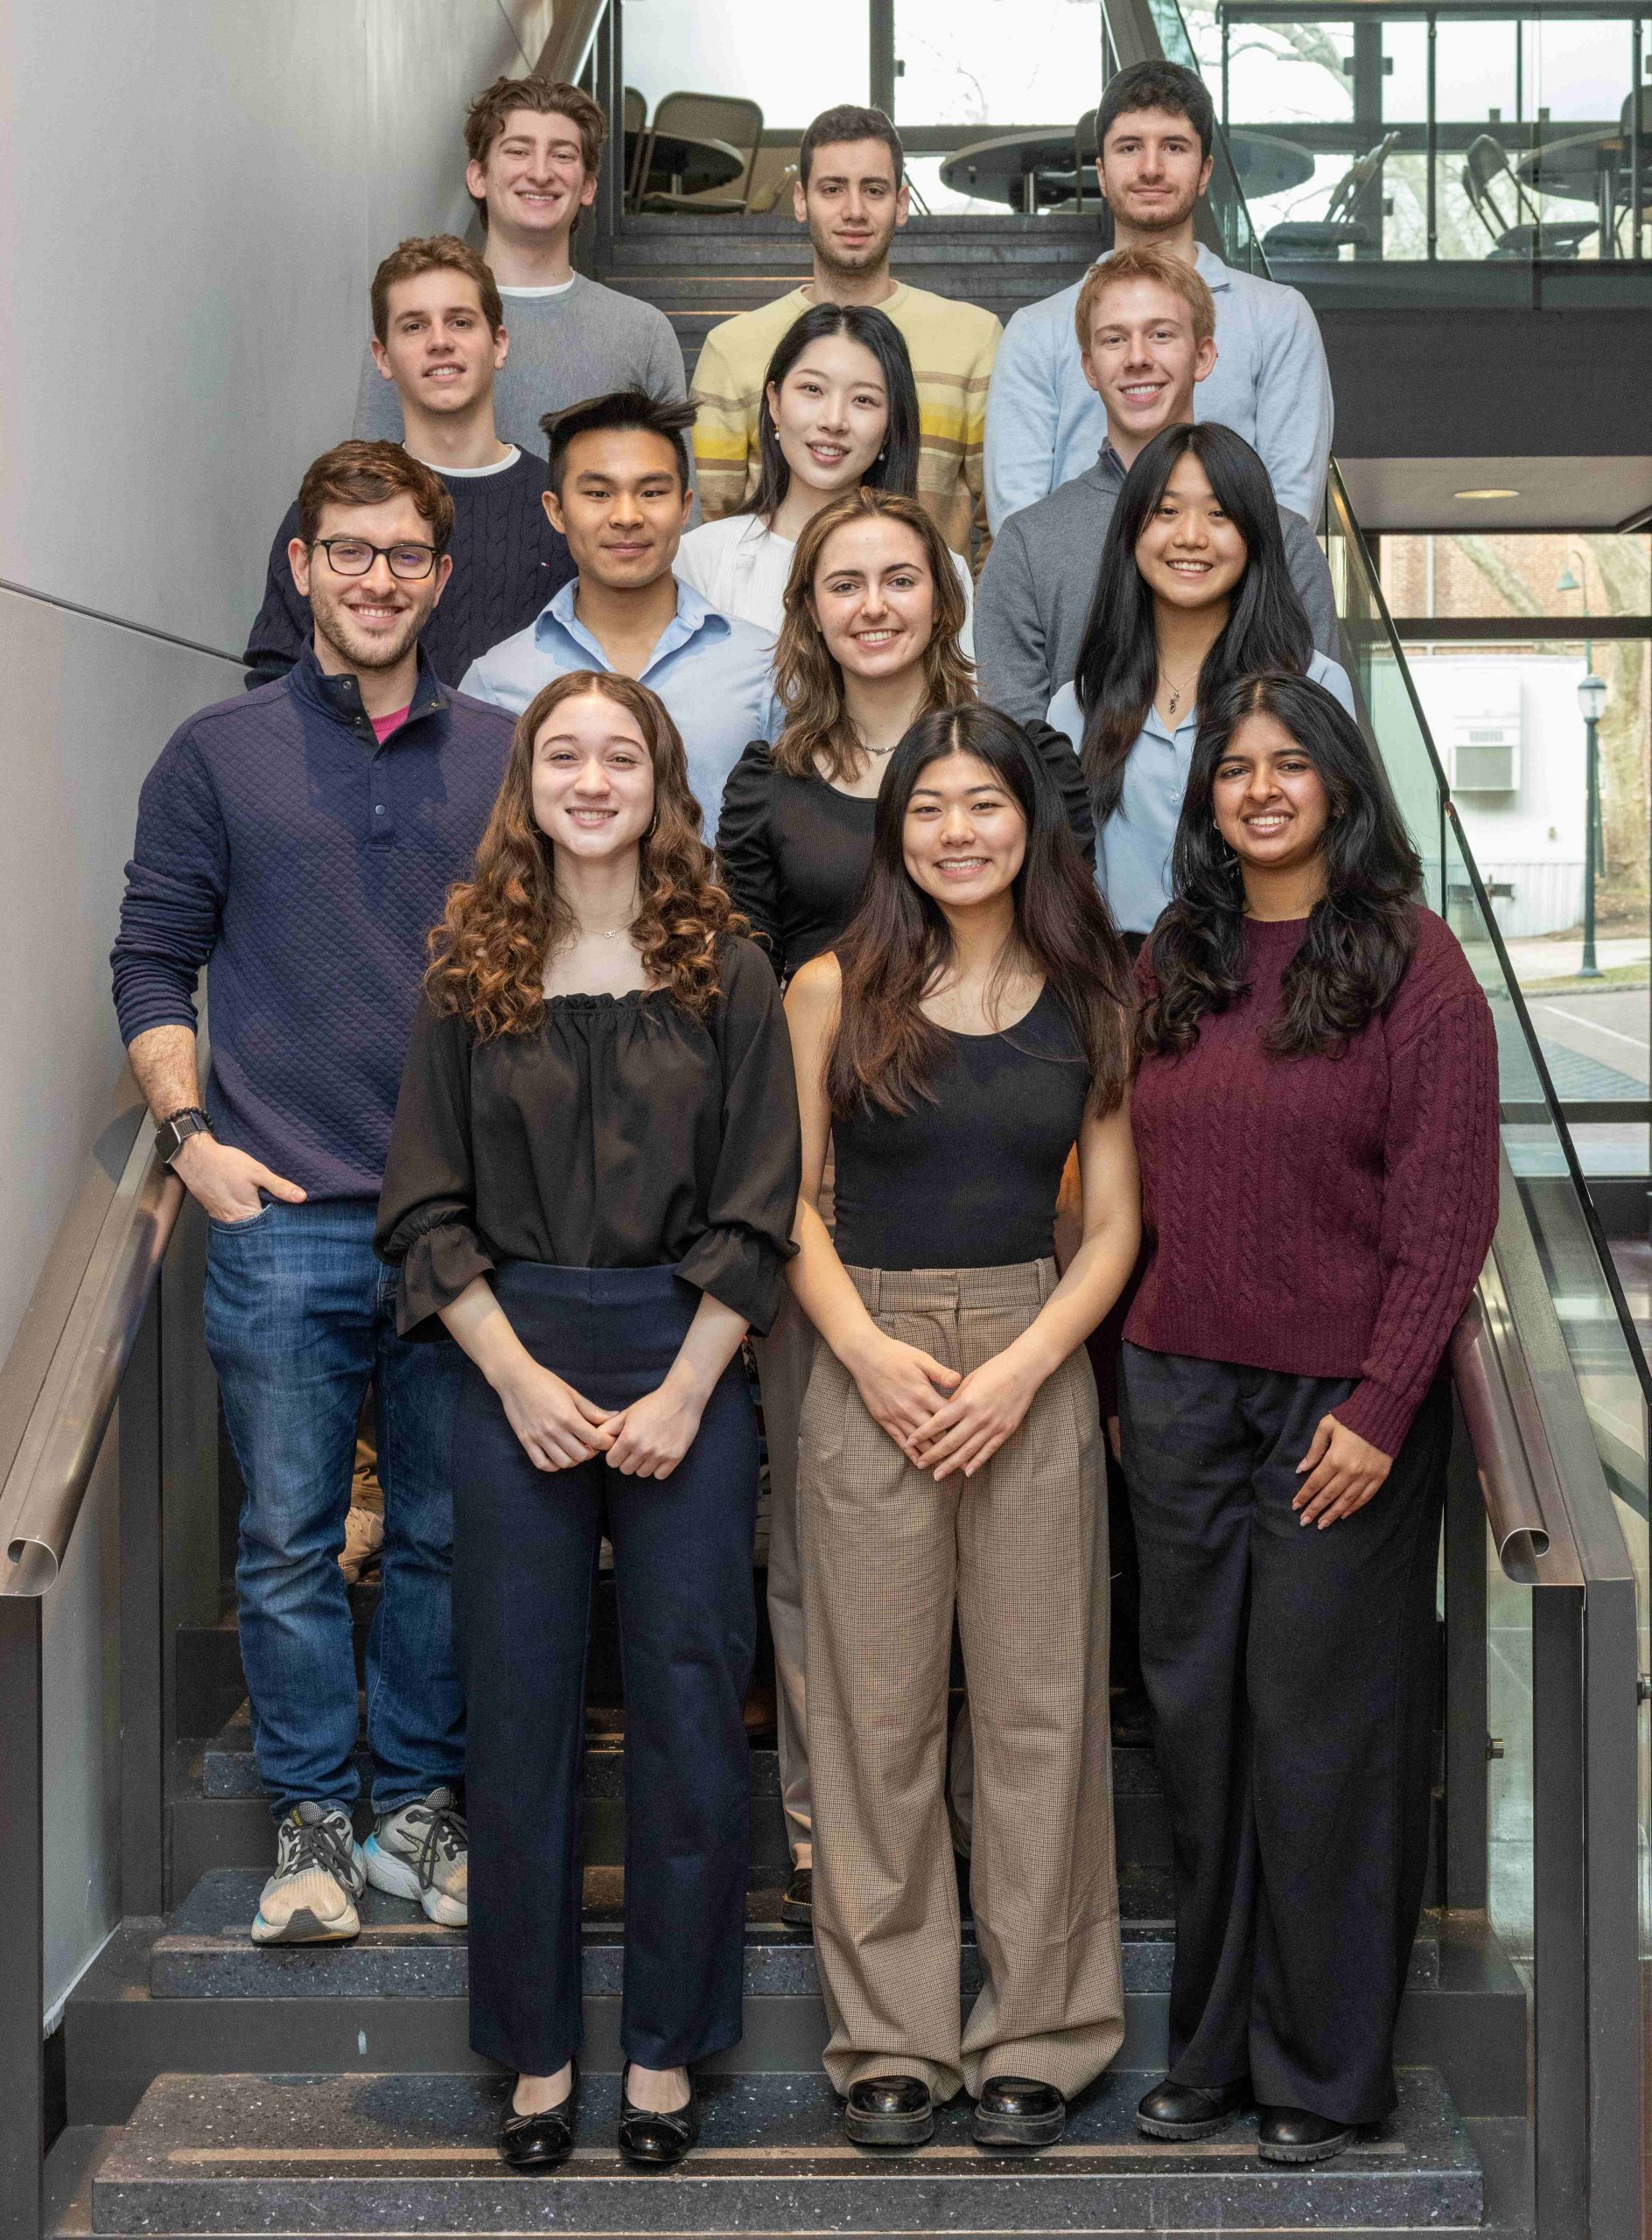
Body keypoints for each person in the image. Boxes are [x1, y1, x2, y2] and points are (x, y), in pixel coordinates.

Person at [375, 671, 800, 2173]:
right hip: (513, 1367)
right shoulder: (466, 970)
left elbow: (760, 1205)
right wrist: (513, 1376)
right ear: (526, 782)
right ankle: (540, 2050)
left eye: (621, 753)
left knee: (690, 1709)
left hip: (690, 1361)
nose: (592, 776)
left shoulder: (727, 969)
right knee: (521, 1713)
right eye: (564, 753)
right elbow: (422, 1201)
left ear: (659, 780)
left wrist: (687, 1387)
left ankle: (670, 2050)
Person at [110, 443, 515, 1946]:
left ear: (439, 571)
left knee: (443, 1532)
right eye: (346, 550)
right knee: (284, 1539)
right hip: (280, 1218)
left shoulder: (507, 753)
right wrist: (189, 1133)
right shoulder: (217, 753)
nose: (375, 578)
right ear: (300, 566)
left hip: (463, 1223)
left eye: (404, 553)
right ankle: (314, 1822)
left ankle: (414, 1803)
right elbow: (152, 959)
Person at [1123, 670, 1499, 2163]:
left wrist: (1383, 1400)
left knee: (1319, 1739)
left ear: (1338, 785)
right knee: (1202, 1731)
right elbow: (1129, 1189)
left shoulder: (1413, 963)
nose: (1260, 788)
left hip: (1336, 1411)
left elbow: (1445, 1208)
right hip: (1175, 1395)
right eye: (1234, 769)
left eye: (1290, 765)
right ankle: (1206, 2054)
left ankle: (1320, 2073)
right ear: (1205, 797)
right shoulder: (1173, 958)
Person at [716, 488, 1091, 1931]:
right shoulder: (769, 782)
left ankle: (1005, 1872)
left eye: (898, 579)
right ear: (808, 611)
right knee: (823, 1561)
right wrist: (790, 1159)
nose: (871, 605)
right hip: (829, 1188)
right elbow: (742, 980)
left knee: (1010, 1588)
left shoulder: (1019, 758)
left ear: (942, 597)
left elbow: (1058, 960)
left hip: (991, 1179)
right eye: (840, 584)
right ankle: (836, 1841)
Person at [785, 706, 1140, 2151]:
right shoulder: (827, 985)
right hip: (860, 1349)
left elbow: (1111, 1226)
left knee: (1041, 1705)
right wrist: (865, 1353)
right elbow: (789, 1207)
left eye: (981, 803)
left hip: (1032, 1346)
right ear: (893, 833)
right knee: (868, 1713)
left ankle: (1041, 2035)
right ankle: (890, 2039)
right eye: (925, 806)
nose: (954, 830)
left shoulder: (1092, 992)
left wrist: (1024, 1366)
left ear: (1026, 822)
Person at [977, 248, 1336, 731]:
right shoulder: (1028, 544)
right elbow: (1013, 744)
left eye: (1161, 334)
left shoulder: (1283, 540)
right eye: (1114, 339)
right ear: (1088, 367)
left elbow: (1316, 739)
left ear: (1204, 356)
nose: (1138, 358)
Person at [984, 60, 1331, 534]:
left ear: (1205, 170)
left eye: (1174, 146)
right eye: (1130, 148)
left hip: (1234, 603)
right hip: (1080, 605)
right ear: (1102, 174)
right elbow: (1017, 524)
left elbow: (1290, 516)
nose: (1151, 168)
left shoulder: (1278, 317)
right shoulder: (1036, 330)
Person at [1047, 423, 1355, 948]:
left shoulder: (1315, 682)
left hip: (1274, 970)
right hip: (1120, 987)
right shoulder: (1078, 703)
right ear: (1132, 531)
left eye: (1219, 514)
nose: (1190, 536)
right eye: (1167, 512)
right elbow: (1056, 876)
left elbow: (1348, 850)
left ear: (1253, 533)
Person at [247, 235, 574, 690]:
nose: (440, 342)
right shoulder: (337, 500)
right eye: (414, 326)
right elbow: (276, 674)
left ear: (498, 344)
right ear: (383, 357)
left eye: (460, 322)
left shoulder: (560, 508)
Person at [691, 105, 1000, 563]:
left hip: (926, 622)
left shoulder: (973, 337)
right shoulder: (732, 348)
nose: (854, 210)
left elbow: (1003, 523)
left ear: (901, 204)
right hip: (760, 624)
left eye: (873, 190)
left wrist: (966, 623)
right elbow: (710, 526)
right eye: (832, 189)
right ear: (801, 201)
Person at [462, 389, 780, 820]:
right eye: (597, 493)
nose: (626, 516)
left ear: (686, 507)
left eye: (651, 492)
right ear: (556, 511)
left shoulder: (765, 667)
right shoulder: (497, 682)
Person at [354, 76, 684, 455]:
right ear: (478, 177)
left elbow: (673, 499)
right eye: (517, 152)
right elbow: (368, 478)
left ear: (589, 186)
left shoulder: (643, 332)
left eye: (562, 155)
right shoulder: (418, 322)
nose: (541, 173)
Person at [677, 302, 974, 646]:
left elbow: (954, 698)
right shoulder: (700, 556)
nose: (833, 421)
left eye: (863, 400)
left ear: (892, 423)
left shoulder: (941, 571)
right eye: (813, 390)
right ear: (774, 402)